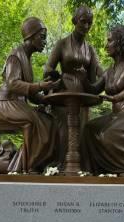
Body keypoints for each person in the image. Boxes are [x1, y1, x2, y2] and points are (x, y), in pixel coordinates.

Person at [0, 17, 60, 173]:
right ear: (30, 36)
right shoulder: (15, 55)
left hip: (18, 104)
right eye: (42, 37)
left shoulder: (26, 59)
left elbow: (31, 95)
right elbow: (13, 84)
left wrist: (46, 97)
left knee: (49, 121)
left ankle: (32, 164)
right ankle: (27, 166)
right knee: (33, 121)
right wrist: (41, 85)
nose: (45, 42)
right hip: (4, 104)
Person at [80, 25, 124, 175]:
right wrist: (82, 76)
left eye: (110, 41)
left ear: (120, 42)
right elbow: (94, 89)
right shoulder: (109, 71)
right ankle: (93, 170)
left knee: (108, 135)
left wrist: (115, 98)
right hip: (117, 114)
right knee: (89, 128)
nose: (106, 45)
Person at [44, 5, 103, 166]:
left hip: (83, 96)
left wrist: (108, 76)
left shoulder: (90, 49)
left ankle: (80, 168)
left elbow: (98, 69)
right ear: (75, 21)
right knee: (65, 131)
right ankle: (62, 166)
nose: (86, 26)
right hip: (64, 95)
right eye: (83, 21)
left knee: (83, 131)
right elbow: (48, 68)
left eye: (89, 23)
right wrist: (57, 76)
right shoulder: (62, 44)